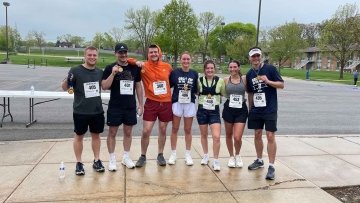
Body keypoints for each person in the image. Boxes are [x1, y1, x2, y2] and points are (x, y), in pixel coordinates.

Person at [61, 46, 105, 175]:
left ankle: (97, 160)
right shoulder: (75, 70)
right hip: (80, 111)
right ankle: (79, 163)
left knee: (96, 136)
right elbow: (66, 88)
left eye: (94, 55)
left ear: (97, 56)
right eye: (89, 55)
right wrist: (66, 79)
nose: (92, 57)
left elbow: (105, 85)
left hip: (97, 110)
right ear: (85, 56)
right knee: (79, 136)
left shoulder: (100, 72)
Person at [101, 43, 143, 170]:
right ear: (116, 54)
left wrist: (141, 104)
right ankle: (112, 159)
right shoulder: (110, 68)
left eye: (125, 52)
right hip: (115, 106)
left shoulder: (134, 68)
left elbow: (138, 86)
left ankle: (126, 157)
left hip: (130, 106)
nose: (123, 55)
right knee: (112, 132)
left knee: (128, 132)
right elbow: (104, 86)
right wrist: (113, 74)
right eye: (120, 52)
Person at [246, 47, 284, 180]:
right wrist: (250, 108)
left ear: (260, 56)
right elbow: (250, 92)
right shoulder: (250, 73)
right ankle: (259, 160)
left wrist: (268, 81)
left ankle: (272, 166)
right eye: (253, 56)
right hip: (256, 109)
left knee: (270, 136)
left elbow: (281, 84)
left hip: (270, 108)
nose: (256, 58)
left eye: (258, 56)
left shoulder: (270, 69)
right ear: (250, 58)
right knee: (257, 134)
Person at [134, 44, 173, 167]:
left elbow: (172, 81)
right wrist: (136, 62)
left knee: (162, 129)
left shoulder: (167, 67)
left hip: (166, 103)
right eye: (151, 52)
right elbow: (129, 61)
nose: (154, 54)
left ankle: (160, 154)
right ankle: (143, 155)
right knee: (146, 131)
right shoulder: (143, 66)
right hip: (151, 103)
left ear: (159, 53)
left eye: (155, 52)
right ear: (148, 54)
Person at [168, 52, 198, 166]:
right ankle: (173, 154)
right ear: (181, 60)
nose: (186, 61)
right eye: (184, 59)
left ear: (191, 60)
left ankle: (188, 154)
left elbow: (196, 89)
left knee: (188, 130)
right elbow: (168, 85)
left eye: (188, 59)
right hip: (177, 102)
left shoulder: (194, 73)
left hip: (189, 103)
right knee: (175, 129)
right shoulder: (175, 72)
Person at [197, 60, 225, 171]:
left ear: (215, 69)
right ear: (204, 70)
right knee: (204, 135)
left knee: (216, 137)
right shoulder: (199, 80)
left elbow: (224, 93)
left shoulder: (220, 81)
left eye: (211, 68)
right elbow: (196, 92)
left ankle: (216, 160)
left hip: (214, 111)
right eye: (207, 68)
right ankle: (205, 155)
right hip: (202, 110)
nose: (209, 70)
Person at [222, 60, 248, 168]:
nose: (233, 69)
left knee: (237, 137)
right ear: (228, 68)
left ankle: (238, 155)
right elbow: (219, 92)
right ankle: (231, 156)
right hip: (229, 109)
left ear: (239, 67)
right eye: (231, 67)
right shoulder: (225, 80)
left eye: (235, 67)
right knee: (228, 135)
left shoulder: (244, 79)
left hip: (241, 109)